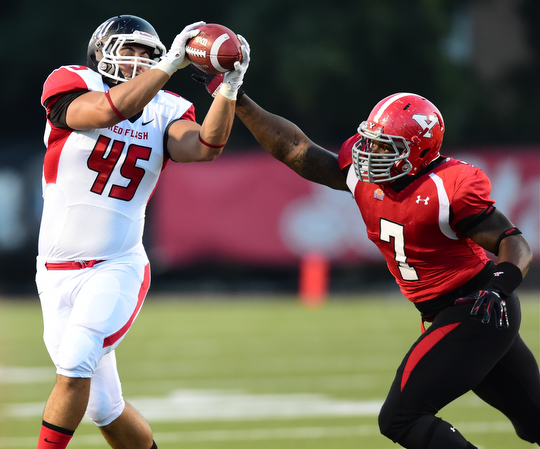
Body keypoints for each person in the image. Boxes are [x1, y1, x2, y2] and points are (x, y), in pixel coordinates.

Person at [191, 71, 540, 448]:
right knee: (534, 421)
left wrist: (498, 289)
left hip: (475, 308)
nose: (369, 153)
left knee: (401, 418)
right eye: (370, 142)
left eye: (384, 147)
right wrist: (238, 99)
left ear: (418, 152)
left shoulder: (449, 186)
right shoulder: (364, 175)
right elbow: (293, 148)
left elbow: (514, 244)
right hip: (446, 313)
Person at [36, 15, 249, 449]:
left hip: (115, 265)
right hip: (54, 271)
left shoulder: (167, 106)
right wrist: (166, 66)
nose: (137, 60)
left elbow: (204, 147)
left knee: (76, 362)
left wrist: (229, 86)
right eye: (127, 50)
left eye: (146, 53)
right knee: (104, 408)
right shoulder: (73, 81)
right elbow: (103, 110)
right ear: (101, 52)